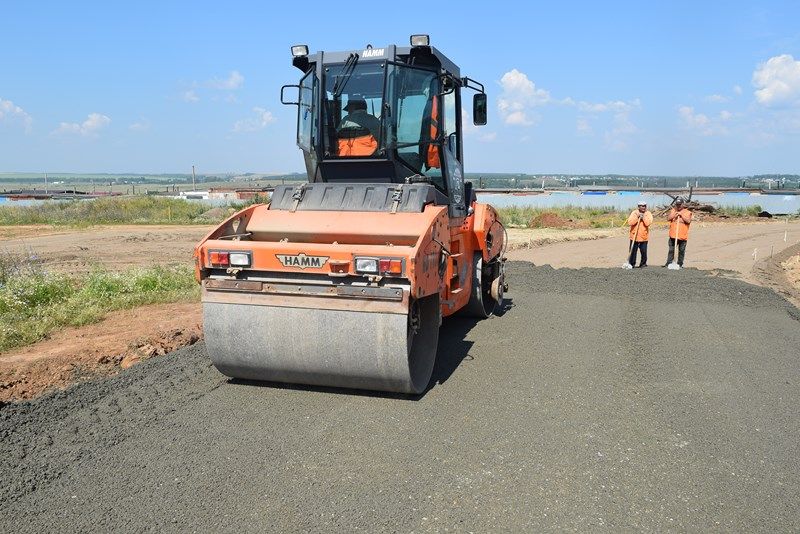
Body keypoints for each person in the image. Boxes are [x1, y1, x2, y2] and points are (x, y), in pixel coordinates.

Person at [665, 197, 693, 267]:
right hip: (673, 235)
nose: (678, 206)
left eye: (680, 204)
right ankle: (669, 263)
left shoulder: (687, 212)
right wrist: (675, 214)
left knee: (681, 251)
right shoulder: (673, 210)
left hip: (682, 236)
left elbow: (688, 221)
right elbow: (668, 218)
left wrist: (681, 215)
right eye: (677, 204)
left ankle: (680, 264)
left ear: (683, 204)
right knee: (671, 250)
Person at [626, 201, 653, 267]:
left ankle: (643, 263)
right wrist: (637, 217)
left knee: (644, 252)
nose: (643, 207)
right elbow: (630, 222)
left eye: (644, 206)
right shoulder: (634, 213)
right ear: (638, 207)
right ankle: (631, 264)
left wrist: (643, 217)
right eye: (641, 206)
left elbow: (648, 223)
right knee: (632, 251)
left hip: (643, 236)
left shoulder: (648, 213)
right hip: (634, 236)